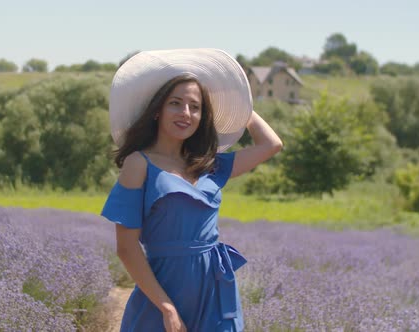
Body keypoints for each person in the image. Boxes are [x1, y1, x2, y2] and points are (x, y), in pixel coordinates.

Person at [101, 49, 283, 332]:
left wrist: (237, 101)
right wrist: (166, 307)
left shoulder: (210, 165)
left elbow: (271, 144)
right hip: (163, 292)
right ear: (157, 110)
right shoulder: (139, 164)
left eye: (195, 107)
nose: (185, 113)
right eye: (176, 103)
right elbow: (126, 248)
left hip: (215, 290)